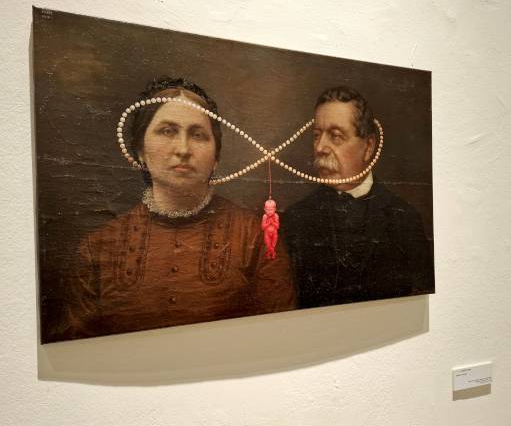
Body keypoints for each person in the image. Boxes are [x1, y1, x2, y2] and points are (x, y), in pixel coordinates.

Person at [56, 77, 296, 341]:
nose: (183, 149)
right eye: (167, 131)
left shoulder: (255, 237)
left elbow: (277, 338)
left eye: (197, 135)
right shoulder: (97, 247)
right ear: (140, 150)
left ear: (216, 158)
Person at [282, 86, 434, 308]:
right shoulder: (294, 219)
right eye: (316, 136)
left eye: (335, 136)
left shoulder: (405, 220)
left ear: (368, 147)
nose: (320, 147)